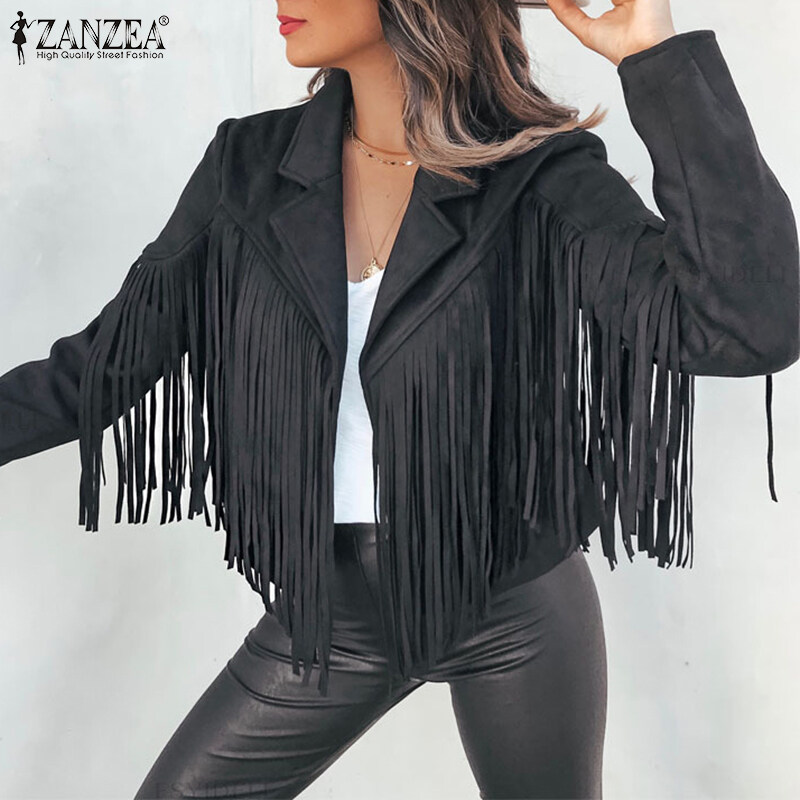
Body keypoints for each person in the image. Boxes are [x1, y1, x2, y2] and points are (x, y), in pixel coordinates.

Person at [1, 0, 797, 797]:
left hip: (509, 605)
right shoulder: (247, 168)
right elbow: (100, 367)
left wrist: (654, 60)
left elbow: (747, 326)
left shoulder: (538, 175)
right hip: (335, 613)